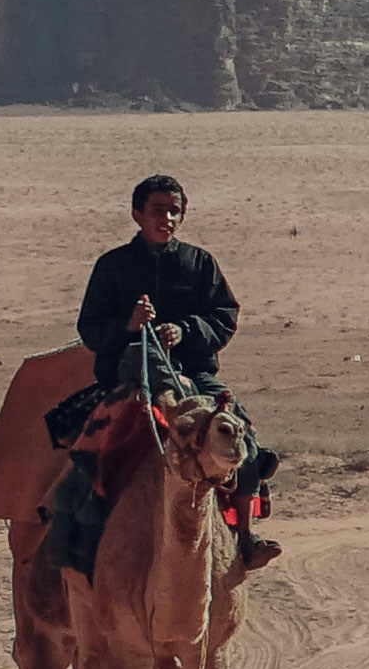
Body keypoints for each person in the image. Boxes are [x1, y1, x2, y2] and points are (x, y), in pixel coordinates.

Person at [71, 171, 280, 572]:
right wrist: (129, 324)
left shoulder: (199, 264)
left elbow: (224, 317)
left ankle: (245, 536)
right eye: (158, 210)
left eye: (174, 211)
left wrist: (185, 331)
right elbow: (90, 329)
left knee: (238, 428)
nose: (166, 218)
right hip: (129, 374)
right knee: (139, 359)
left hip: (195, 374)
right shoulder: (112, 266)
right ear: (138, 214)